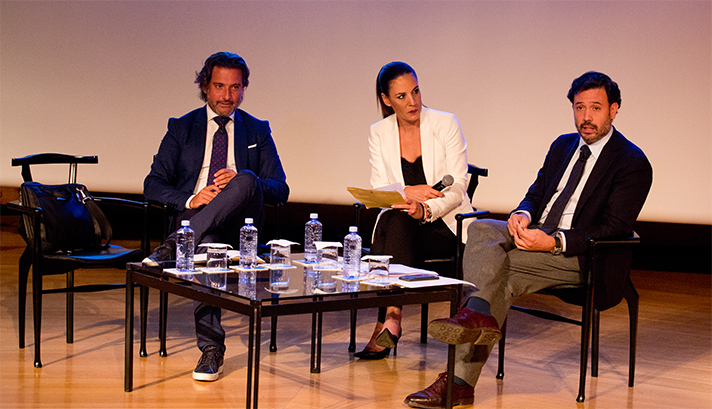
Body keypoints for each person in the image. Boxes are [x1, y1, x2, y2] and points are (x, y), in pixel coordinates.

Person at [404, 71, 653, 408]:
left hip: (580, 256)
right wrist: (522, 213)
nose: (586, 117)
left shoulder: (632, 162)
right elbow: (536, 195)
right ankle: (477, 316)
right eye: (579, 108)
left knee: (502, 271)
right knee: (479, 228)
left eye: (595, 108)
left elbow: (614, 228)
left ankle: (460, 377)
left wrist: (553, 243)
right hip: (535, 235)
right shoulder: (563, 145)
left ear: (614, 109)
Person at [143, 51, 289, 382]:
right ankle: (212, 350)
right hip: (198, 218)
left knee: (249, 179)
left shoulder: (257, 130)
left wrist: (239, 180)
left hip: (242, 226)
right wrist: (193, 198)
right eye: (220, 86)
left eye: (235, 87)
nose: (227, 96)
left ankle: (175, 244)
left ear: (244, 88)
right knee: (207, 243)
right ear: (205, 87)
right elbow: (152, 184)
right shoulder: (182, 128)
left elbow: (280, 189)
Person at [354, 61, 475, 360]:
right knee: (395, 221)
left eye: (416, 91)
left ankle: (389, 320)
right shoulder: (379, 132)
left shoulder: (445, 123)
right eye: (402, 96)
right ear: (386, 100)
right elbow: (381, 187)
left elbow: (458, 186)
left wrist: (425, 208)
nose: (413, 102)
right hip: (403, 222)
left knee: (390, 231)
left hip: (444, 224)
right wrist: (408, 193)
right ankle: (392, 317)